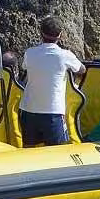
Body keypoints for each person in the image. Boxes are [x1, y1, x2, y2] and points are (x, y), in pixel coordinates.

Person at [19, 16, 85, 147]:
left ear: (40, 32)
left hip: (28, 109)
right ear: (60, 35)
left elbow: (24, 67)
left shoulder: (29, 53)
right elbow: (82, 69)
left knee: (28, 149)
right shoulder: (65, 55)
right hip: (53, 112)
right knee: (56, 151)